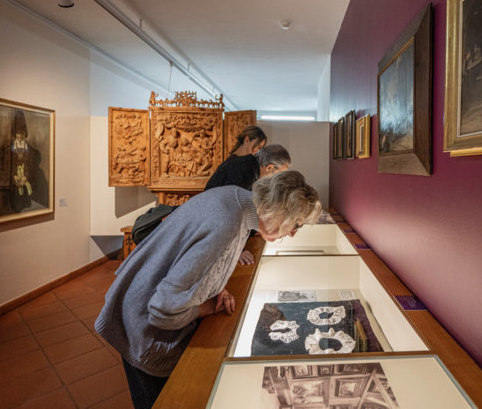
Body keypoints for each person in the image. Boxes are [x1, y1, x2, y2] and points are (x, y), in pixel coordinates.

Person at [95, 170, 321, 409]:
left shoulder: (236, 198)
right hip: (143, 329)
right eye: (296, 225)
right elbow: (163, 310)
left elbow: (201, 258)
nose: (292, 233)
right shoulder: (228, 222)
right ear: (281, 211)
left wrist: (216, 288)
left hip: (137, 304)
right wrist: (204, 308)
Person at [205, 143, 292, 265]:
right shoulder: (243, 170)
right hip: (208, 225)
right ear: (270, 167)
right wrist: (237, 250)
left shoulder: (250, 166)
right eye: (279, 174)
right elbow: (229, 212)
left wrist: (255, 228)